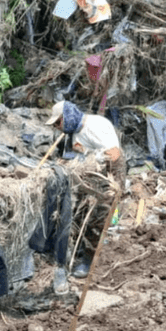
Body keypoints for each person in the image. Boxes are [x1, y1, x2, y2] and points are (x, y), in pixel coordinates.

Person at [45, 100, 126, 289]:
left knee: (99, 217)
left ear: (68, 117)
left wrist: (93, 160)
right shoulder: (73, 133)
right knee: (80, 213)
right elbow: (75, 154)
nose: (58, 128)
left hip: (108, 173)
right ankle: (84, 251)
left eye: (58, 123)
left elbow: (113, 154)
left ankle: (91, 262)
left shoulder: (94, 126)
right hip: (90, 175)